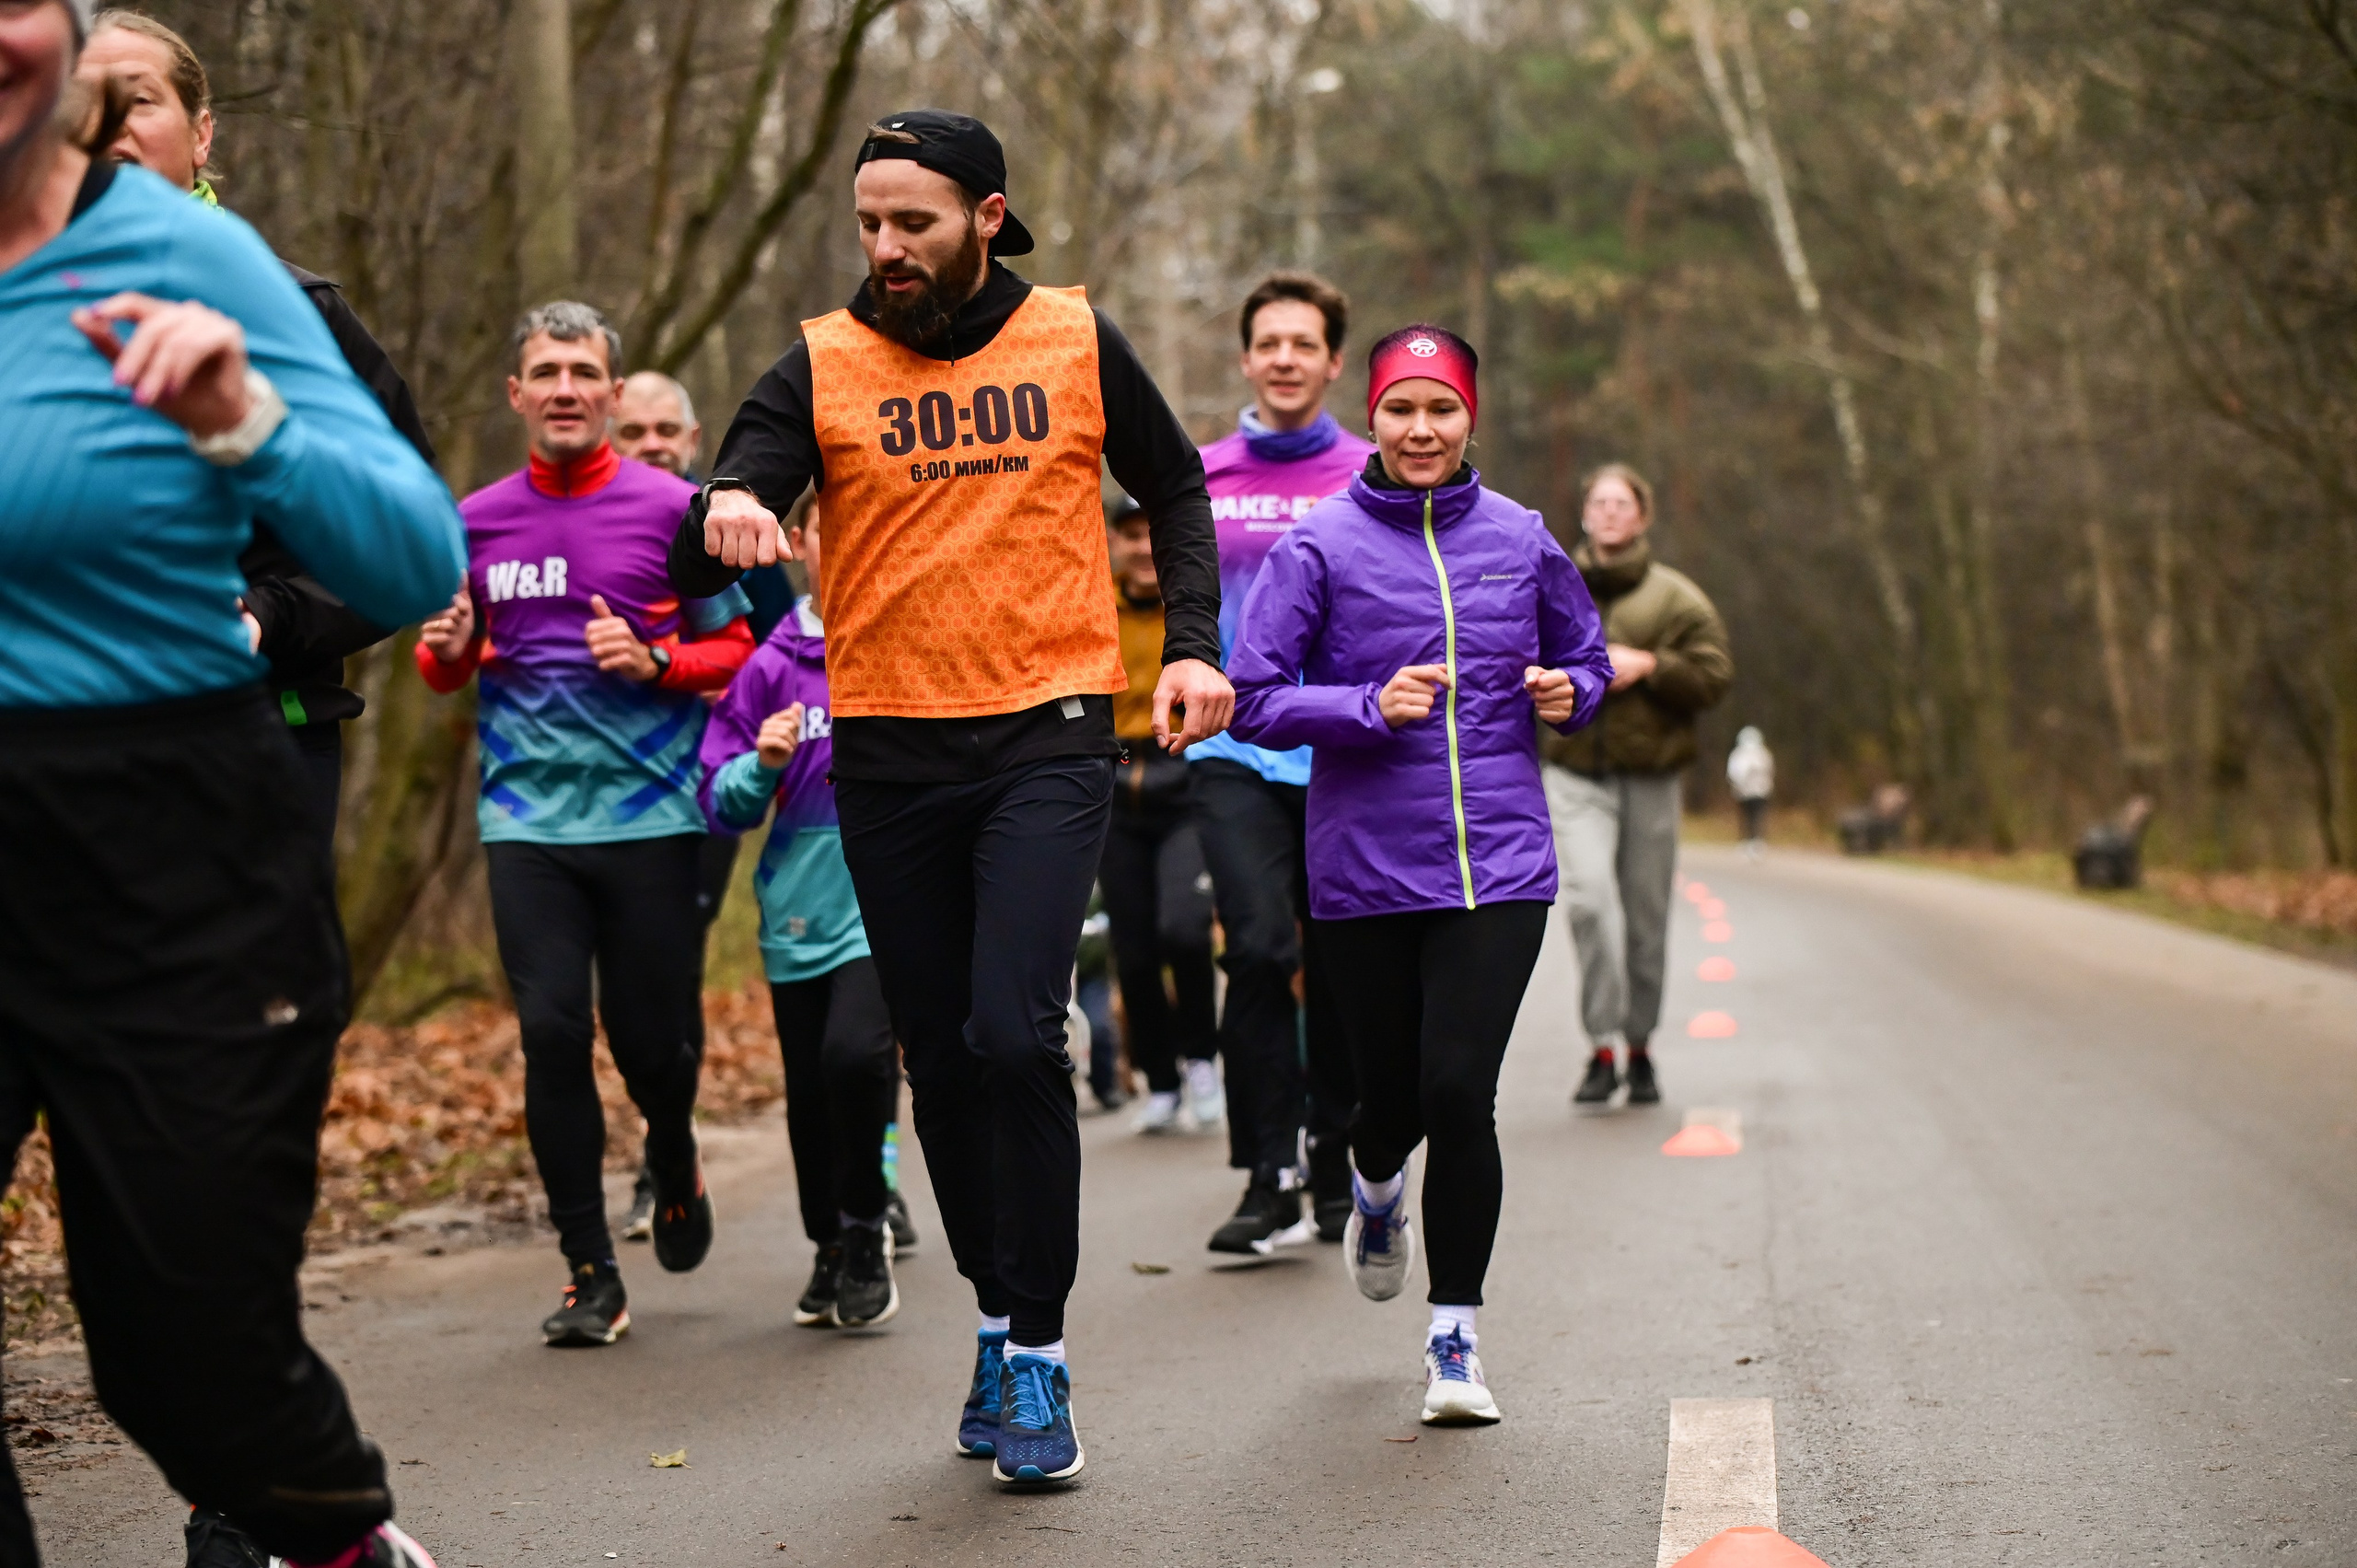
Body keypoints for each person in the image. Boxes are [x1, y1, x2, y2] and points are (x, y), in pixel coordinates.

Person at [668, 110, 1227, 1485]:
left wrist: (1200, 643)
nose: (885, 247)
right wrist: (731, 506)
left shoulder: (1074, 340)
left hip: (1045, 730)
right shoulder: (824, 357)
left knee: (1018, 1029)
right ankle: (992, 1303)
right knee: (943, 1053)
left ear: (987, 214)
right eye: (868, 222)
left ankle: (1037, 1351)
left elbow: (1176, 481)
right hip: (892, 750)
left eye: (912, 220)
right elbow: (725, 492)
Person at [0, 4, 462, 1562]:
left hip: (165, 823)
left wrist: (249, 427)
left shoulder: (198, 263)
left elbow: (410, 552)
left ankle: (327, 1534)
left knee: (181, 1341)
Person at [1228, 325, 1612, 1427]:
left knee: (1460, 1090)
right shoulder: (1320, 543)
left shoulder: (1523, 537)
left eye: (1440, 409)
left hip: (1499, 863)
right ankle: (1376, 1189)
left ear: (1469, 417)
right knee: (1382, 1102)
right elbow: (1255, 696)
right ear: (1376, 418)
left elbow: (1585, 659)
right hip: (1363, 867)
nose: (1421, 429)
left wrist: (1569, 694)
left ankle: (1455, 1336)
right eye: (1401, 409)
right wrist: (1362, 705)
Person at [415, 302, 756, 1347]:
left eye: (582, 370)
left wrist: (654, 663)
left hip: (651, 819)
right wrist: (449, 648)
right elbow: (442, 664)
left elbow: (738, 647)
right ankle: (588, 1269)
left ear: (613, 392)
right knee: (553, 1030)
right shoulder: (471, 520)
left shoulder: (674, 509)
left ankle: (671, 1142)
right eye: (544, 371)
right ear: (515, 393)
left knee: (653, 1045)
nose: (564, 387)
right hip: (526, 823)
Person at [79, 9, 437, 865]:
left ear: (202, 133)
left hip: (259, 731)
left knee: (247, 1001)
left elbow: (406, 530)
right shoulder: (23, 312)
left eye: (136, 101)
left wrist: (266, 619)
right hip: (56, 742)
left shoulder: (296, 314)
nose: (105, 129)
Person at [1189, 273, 1373, 1251]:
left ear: (1333, 360)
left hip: (1342, 747)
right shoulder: (1202, 474)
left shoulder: (1372, 471)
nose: (1286, 358)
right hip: (1233, 743)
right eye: (1270, 342)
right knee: (1257, 947)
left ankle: (1339, 1158)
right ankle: (1267, 1170)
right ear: (1247, 356)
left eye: (1305, 343)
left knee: (1339, 962)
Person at [698, 497, 907, 1330]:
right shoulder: (771, 666)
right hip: (798, 911)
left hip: (887, 900)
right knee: (812, 1087)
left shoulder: (910, 638)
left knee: (856, 1055)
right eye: (834, 524)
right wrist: (762, 763)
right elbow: (718, 800)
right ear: (799, 544)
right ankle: (829, 1242)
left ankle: (865, 1232)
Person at [1543, 463, 1733, 1109]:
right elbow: (1506, 654)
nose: (1609, 512)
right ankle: (1600, 1046)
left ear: (1643, 515)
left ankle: (1641, 1046)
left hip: (1651, 777)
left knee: (1645, 921)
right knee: (1591, 903)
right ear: (1585, 512)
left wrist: (1651, 666)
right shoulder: (1550, 581)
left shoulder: (1677, 597)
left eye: (1622, 503)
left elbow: (1714, 676)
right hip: (1572, 773)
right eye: (1598, 501)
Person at [1100, 497, 1220, 1134]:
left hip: (1185, 784)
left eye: (1155, 534)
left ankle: (1202, 1056)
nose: (1145, 548)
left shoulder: (1193, 607)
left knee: (1184, 927)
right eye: (1131, 536)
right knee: (1135, 948)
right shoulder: (1093, 603)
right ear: (1114, 543)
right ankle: (1162, 1078)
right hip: (1113, 789)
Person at [1727, 725, 1774, 853]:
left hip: (1759, 792)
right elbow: (1734, 773)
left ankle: (1756, 841)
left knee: (1756, 816)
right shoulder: (1739, 754)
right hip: (1744, 792)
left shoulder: (1763, 754)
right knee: (1747, 816)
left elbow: (1768, 771)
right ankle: (1747, 841)